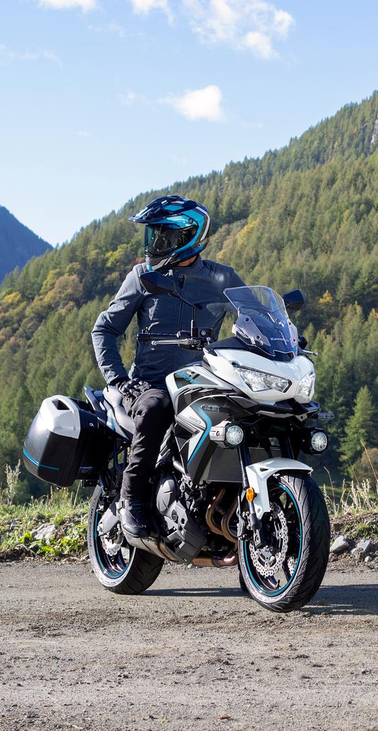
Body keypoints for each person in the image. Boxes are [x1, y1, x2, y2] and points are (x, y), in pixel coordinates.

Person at [91, 195, 244, 541]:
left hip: (202, 384)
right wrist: (118, 380)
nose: (154, 242)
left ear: (188, 236)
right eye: (153, 234)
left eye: (161, 234)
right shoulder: (143, 276)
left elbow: (252, 316)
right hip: (150, 384)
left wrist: (283, 337)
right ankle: (131, 500)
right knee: (156, 407)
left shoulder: (222, 278)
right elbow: (104, 329)